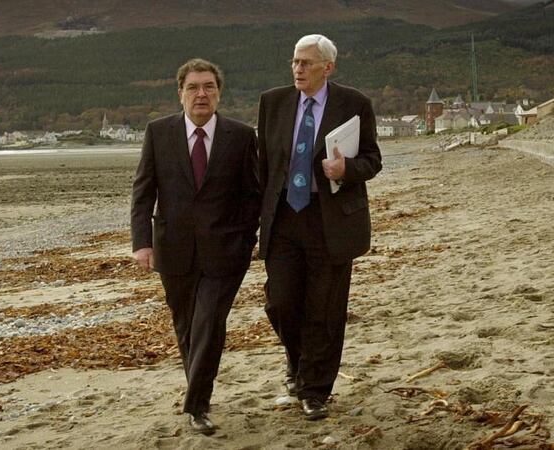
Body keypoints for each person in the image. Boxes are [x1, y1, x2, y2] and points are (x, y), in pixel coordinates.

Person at [131, 58, 261, 435]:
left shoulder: (240, 136)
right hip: (173, 249)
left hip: (225, 253)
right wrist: (142, 243)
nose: (201, 94)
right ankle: (198, 394)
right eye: (193, 87)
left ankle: (197, 404)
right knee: (186, 327)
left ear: (219, 93)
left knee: (209, 323)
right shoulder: (159, 132)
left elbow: (252, 195)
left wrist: (245, 239)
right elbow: (143, 192)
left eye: (209, 87)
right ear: (181, 93)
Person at [257, 34, 382, 420]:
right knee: (280, 302)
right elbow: (263, 164)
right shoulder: (273, 102)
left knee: (324, 310)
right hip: (283, 218)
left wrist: (347, 170)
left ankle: (315, 390)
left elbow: (372, 161)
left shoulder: (354, 104)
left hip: (330, 219)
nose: (298, 69)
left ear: (328, 67)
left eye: (307, 63)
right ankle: (297, 363)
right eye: (295, 61)